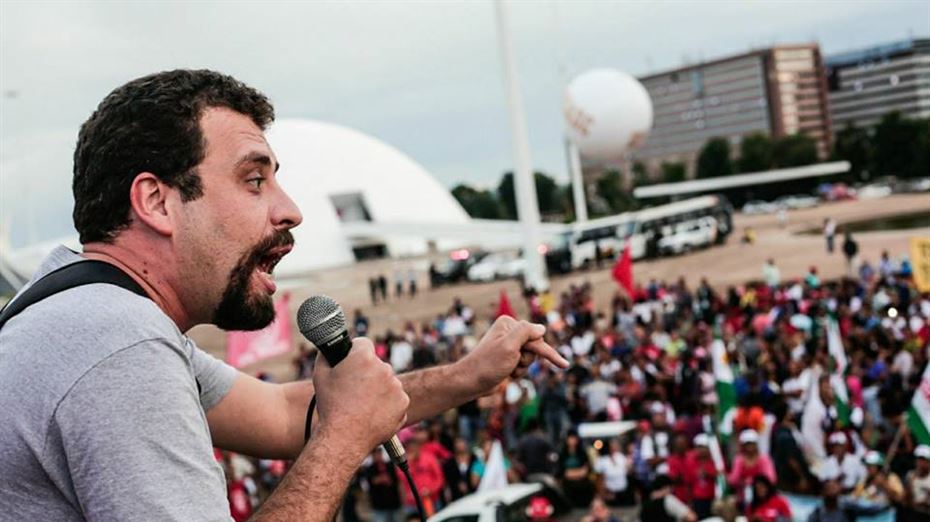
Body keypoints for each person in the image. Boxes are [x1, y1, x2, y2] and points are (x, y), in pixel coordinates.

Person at [0, 70, 569, 521]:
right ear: (156, 202)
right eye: (254, 180)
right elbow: (331, 425)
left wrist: (467, 376)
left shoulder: (82, 312)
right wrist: (344, 440)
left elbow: (283, 413)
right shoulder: (117, 348)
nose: (290, 209)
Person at [361, 449, 403, 522]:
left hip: (394, 502)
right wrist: (381, 479)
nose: (377, 456)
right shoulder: (369, 469)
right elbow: (371, 482)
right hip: (379, 505)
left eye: (379, 453)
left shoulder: (389, 465)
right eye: (375, 454)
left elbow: (396, 480)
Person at [594, 438, 632, 507]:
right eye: (612, 445)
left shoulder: (620, 457)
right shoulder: (601, 460)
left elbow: (628, 471)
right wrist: (603, 495)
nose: (615, 446)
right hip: (610, 494)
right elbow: (599, 480)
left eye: (615, 445)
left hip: (623, 492)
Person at [904, 444, 930, 521]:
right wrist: (910, 483)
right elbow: (906, 500)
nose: (920, 463)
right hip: (914, 516)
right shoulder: (910, 475)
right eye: (918, 459)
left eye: (923, 459)